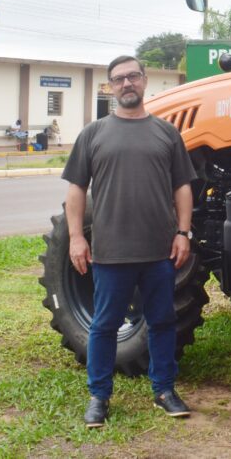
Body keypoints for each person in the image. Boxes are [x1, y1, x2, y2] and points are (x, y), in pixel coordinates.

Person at [61, 55, 196, 428]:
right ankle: (99, 397)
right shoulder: (93, 134)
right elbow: (76, 190)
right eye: (118, 79)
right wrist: (75, 238)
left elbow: (182, 187)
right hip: (110, 252)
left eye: (132, 76)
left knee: (163, 322)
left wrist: (183, 232)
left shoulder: (167, 133)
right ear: (110, 87)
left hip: (159, 252)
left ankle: (165, 390)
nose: (126, 84)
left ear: (145, 80)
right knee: (104, 326)